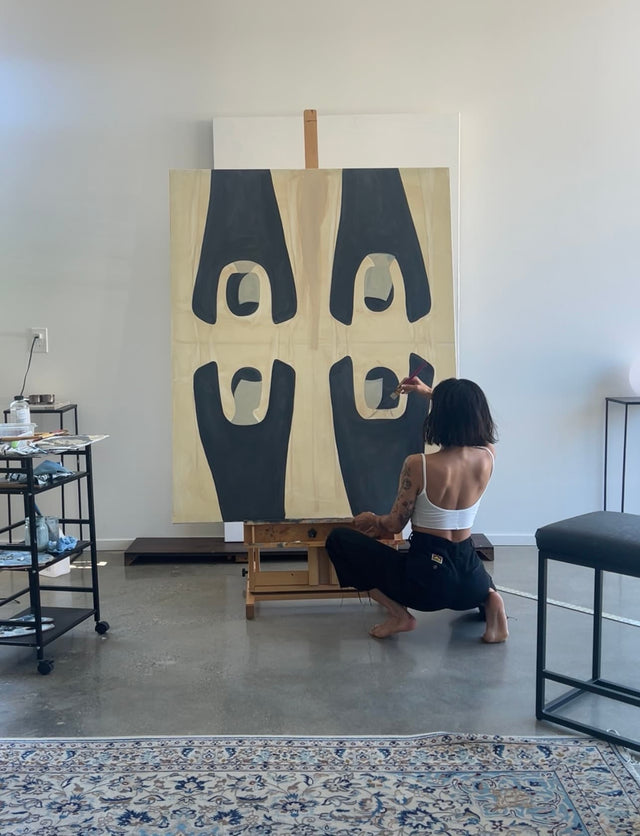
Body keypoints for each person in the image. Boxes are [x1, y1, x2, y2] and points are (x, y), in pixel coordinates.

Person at [325, 377, 508, 643]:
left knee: (338, 541)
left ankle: (399, 615)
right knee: (474, 581)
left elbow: (393, 525)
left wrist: (372, 519)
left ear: (439, 418)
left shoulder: (418, 464)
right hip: (471, 581)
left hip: (427, 584)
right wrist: (429, 392)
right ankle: (491, 599)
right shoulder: (488, 456)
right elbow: (466, 412)